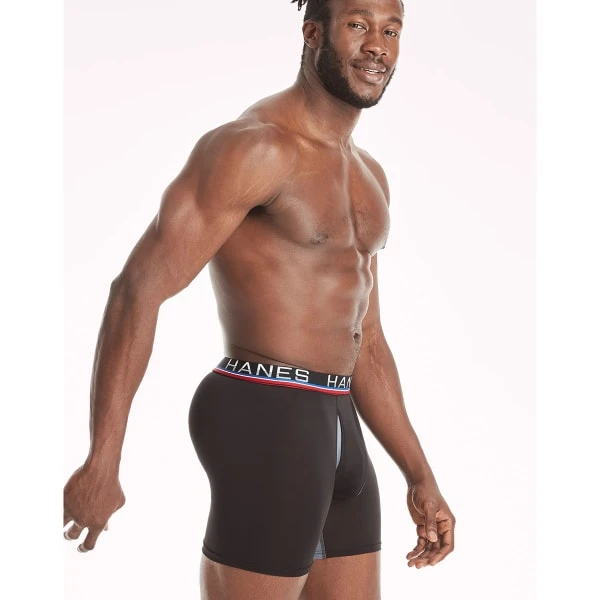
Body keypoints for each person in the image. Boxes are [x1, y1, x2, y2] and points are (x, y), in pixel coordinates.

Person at [63, 0, 456, 597]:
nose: (378, 45)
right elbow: (135, 292)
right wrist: (102, 459)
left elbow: (368, 342)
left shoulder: (370, 175)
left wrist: (420, 475)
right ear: (313, 32)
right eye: (358, 25)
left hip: (339, 420)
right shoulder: (255, 148)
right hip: (263, 410)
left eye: (391, 30)